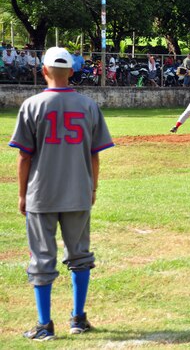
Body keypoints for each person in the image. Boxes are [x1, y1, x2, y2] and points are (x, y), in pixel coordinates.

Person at [8, 47, 114, 341]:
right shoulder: (89, 106)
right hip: (78, 191)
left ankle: (44, 325)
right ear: (71, 71)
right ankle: (78, 319)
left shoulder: (31, 105)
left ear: (43, 71)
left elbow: (24, 157)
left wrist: (21, 194)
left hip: (41, 194)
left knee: (41, 258)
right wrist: (92, 188)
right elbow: (95, 155)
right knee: (80, 256)